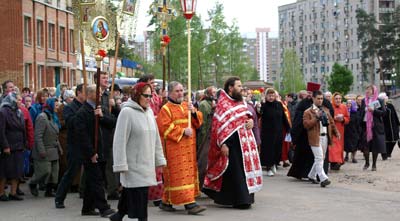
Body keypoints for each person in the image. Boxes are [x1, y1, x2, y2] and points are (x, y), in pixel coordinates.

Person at [110, 82, 166, 221]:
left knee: (131, 191)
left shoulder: (149, 113)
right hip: (132, 164)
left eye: (150, 95)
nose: (149, 98)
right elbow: (119, 141)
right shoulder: (126, 112)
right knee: (140, 197)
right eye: (145, 95)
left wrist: (160, 159)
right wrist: (120, 164)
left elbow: (156, 139)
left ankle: (119, 214)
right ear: (137, 95)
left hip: (146, 164)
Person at [203, 77, 262, 209]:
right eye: (239, 86)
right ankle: (240, 200)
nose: (241, 89)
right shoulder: (223, 104)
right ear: (230, 88)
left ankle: (246, 198)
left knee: (243, 170)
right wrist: (223, 144)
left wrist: (251, 122)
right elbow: (219, 126)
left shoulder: (241, 102)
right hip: (231, 144)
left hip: (245, 143)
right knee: (234, 172)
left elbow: (248, 116)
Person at [156, 81, 205, 215]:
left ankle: (166, 202)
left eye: (181, 90)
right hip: (175, 149)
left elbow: (198, 121)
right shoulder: (166, 108)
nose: (180, 93)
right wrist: (183, 131)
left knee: (187, 175)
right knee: (179, 176)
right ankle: (190, 204)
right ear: (170, 92)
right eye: (177, 91)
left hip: (189, 148)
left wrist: (193, 112)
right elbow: (164, 128)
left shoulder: (186, 105)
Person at [74, 85, 115, 218]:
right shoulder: (82, 113)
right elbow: (82, 136)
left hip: (103, 150)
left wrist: (102, 117)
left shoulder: (100, 109)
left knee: (93, 180)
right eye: (98, 93)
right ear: (90, 94)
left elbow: (112, 123)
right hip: (91, 153)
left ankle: (87, 207)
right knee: (97, 180)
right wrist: (91, 153)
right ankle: (104, 208)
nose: (100, 95)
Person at [287, 83, 334, 180]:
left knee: (320, 157)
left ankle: (316, 175)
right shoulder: (303, 103)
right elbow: (298, 119)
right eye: (308, 93)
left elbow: (330, 117)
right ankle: (315, 176)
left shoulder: (325, 103)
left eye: (311, 93)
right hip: (305, 134)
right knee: (313, 156)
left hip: (321, 133)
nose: (309, 95)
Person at [55, 84, 85, 209]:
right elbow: (71, 123)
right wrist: (83, 113)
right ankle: (59, 198)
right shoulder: (70, 108)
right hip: (74, 144)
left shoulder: (87, 106)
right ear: (79, 93)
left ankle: (90, 197)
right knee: (71, 172)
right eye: (85, 92)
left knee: (92, 172)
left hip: (86, 143)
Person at [137, 74, 165, 205]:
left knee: (157, 166)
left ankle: (157, 196)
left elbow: (160, 111)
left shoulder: (156, 97)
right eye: (151, 82)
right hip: (143, 134)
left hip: (155, 132)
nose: (154, 85)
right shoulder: (139, 98)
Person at [303, 90, 339, 188]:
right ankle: (323, 178)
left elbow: (331, 122)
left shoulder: (326, 110)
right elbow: (306, 125)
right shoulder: (308, 112)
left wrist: (336, 132)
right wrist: (316, 118)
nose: (320, 101)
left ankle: (311, 175)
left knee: (321, 158)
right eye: (318, 99)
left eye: (321, 99)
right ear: (313, 98)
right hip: (315, 137)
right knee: (319, 158)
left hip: (325, 137)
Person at [29, 98, 62, 197]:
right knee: (44, 171)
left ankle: (49, 190)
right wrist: (41, 150)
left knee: (54, 173)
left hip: (53, 149)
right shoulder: (42, 117)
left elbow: (56, 135)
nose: (58, 107)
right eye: (56, 105)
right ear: (50, 105)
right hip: (45, 149)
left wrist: (60, 148)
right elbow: (38, 136)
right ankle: (33, 183)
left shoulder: (53, 117)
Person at [0, 93, 26, 201]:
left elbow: (22, 129)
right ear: (13, 101)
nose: (21, 102)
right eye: (19, 100)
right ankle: (1, 193)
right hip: (8, 146)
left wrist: (24, 142)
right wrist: (5, 146)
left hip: (18, 145)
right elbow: (1, 131)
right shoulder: (3, 112)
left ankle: (13, 192)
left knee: (17, 170)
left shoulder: (18, 112)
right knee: (4, 170)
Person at [260, 88, 291, 176]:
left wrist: (288, 128)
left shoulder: (279, 104)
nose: (271, 97)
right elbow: (260, 113)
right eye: (269, 95)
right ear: (266, 96)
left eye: (272, 95)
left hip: (278, 131)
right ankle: (269, 167)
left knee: (277, 149)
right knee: (269, 150)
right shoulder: (264, 105)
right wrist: (261, 105)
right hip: (268, 133)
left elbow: (283, 117)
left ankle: (274, 163)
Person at [360, 85, 386, 171]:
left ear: (374, 90)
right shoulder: (364, 100)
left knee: (375, 146)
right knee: (365, 146)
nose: (367, 91)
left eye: (369, 90)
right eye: (366, 89)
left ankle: (374, 164)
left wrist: (373, 111)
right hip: (365, 126)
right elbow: (360, 112)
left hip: (375, 126)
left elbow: (383, 113)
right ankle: (367, 162)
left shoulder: (379, 100)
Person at [196, 86, 217, 189]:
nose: (214, 94)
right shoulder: (204, 104)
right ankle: (199, 185)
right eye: (212, 92)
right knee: (203, 161)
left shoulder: (214, 103)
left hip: (213, 135)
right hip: (205, 136)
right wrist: (202, 137)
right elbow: (203, 122)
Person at [329, 92, 349, 170]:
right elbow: (328, 116)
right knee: (333, 147)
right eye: (336, 99)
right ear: (333, 99)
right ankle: (335, 161)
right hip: (332, 129)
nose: (338, 100)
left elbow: (348, 118)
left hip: (340, 129)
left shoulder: (344, 107)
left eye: (339, 98)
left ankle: (337, 161)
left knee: (339, 147)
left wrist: (343, 119)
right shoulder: (330, 107)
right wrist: (335, 118)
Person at [379, 93, 399, 160]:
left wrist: (398, 123)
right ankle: (385, 154)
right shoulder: (379, 106)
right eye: (385, 98)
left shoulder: (390, 105)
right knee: (386, 141)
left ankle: (389, 152)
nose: (386, 99)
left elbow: (395, 115)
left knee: (394, 140)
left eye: (386, 98)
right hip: (385, 126)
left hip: (393, 126)